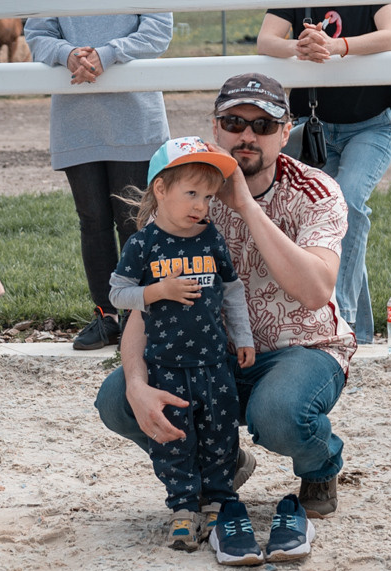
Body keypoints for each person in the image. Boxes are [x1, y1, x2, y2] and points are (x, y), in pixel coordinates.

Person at [96, 74, 354, 521]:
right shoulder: (187, 190)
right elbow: (143, 306)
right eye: (234, 122)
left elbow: (316, 292)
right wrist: (137, 381)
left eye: (264, 125)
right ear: (216, 127)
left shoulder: (315, 191)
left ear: (286, 129)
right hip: (204, 354)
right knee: (118, 399)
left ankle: (320, 463)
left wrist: (245, 206)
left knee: (278, 414)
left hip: (301, 349)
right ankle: (218, 460)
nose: (247, 135)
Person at [24, 0, 173, 351]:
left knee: (134, 220)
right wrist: (69, 56)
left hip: (135, 119)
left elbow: (158, 32)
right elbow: (36, 34)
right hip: (77, 121)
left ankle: (143, 316)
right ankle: (107, 315)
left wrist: (105, 55)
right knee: (92, 220)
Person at [106, 138, 265, 564]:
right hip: (166, 365)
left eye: (209, 197)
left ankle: (217, 503)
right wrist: (159, 291)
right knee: (175, 438)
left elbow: (231, 291)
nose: (201, 205)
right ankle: (182, 506)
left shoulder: (210, 238)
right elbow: (118, 294)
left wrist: (244, 337)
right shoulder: (144, 244)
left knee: (219, 433)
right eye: (191, 193)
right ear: (160, 190)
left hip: (214, 361)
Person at [257, 0, 391, 343]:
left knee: (351, 206)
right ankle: (360, 331)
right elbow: (266, 41)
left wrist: (336, 46)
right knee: (327, 218)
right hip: (313, 129)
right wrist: (300, 47)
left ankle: (334, 322)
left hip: (371, 125)